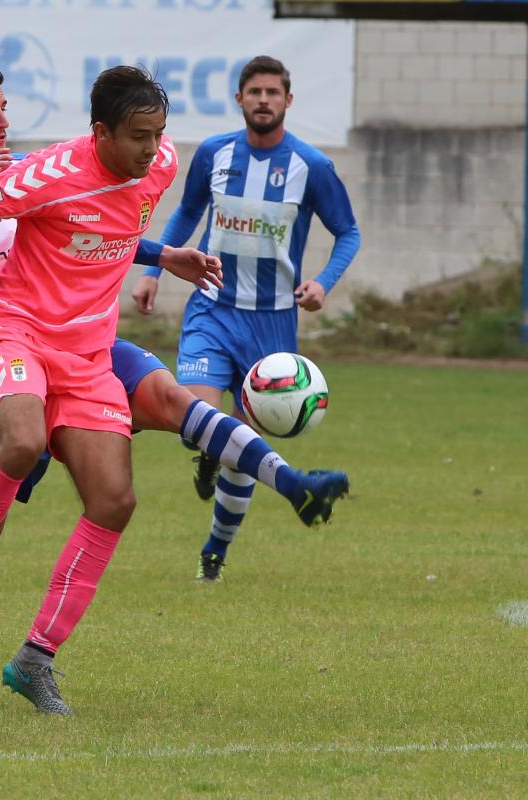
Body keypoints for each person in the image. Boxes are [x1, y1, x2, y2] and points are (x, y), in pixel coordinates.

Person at [0, 64, 348, 715]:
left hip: (88, 357)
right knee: (20, 443)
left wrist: (165, 256)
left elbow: (105, 228)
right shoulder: (34, 177)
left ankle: (35, 657)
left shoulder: (154, 164)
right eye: (139, 135)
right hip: (15, 339)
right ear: (100, 132)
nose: (154, 148)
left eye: (158, 134)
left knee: (115, 500)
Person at [132, 56, 360, 583]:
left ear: (287, 100)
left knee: (241, 454)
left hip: (273, 326)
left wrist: (324, 282)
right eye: (253, 91)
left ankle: (215, 550)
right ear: (239, 99)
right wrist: (155, 271)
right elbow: (188, 212)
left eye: (272, 92)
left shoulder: (312, 166)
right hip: (212, 308)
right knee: (195, 418)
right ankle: (206, 451)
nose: (263, 100)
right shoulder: (214, 153)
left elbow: (348, 232)